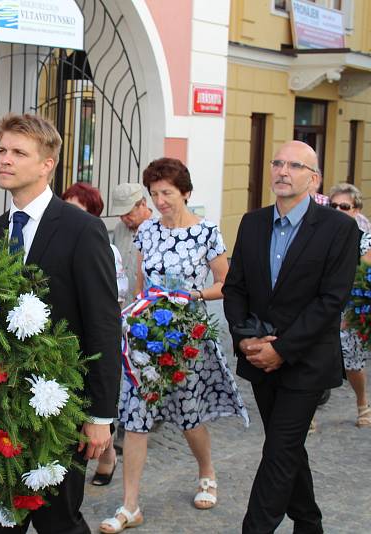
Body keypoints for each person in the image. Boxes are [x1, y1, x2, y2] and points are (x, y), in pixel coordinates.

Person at [0, 113, 122, 534]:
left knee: (58, 521)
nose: (5, 160)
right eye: (3, 150)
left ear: (47, 164)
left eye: (18, 153)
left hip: (58, 407)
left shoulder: (82, 230)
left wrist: (101, 415)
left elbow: (102, 323)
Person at [100, 157, 249, 533]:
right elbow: (140, 285)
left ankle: (206, 472)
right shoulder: (146, 232)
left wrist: (192, 294)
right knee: (136, 418)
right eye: (154, 193)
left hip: (186, 336)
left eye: (167, 192)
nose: (161, 200)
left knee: (189, 415)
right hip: (146, 336)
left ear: (185, 192)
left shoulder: (207, 232)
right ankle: (129, 506)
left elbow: (225, 284)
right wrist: (134, 319)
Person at [223, 141, 359, 533]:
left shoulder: (339, 228)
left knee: (279, 451)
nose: (283, 171)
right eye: (277, 163)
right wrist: (244, 339)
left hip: (307, 362)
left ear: (313, 179)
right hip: (259, 359)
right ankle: (309, 522)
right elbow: (236, 289)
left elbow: (330, 300)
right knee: (289, 448)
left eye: (295, 165)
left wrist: (283, 349)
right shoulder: (253, 222)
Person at [62, 182, 127, 487]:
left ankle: (106, 453)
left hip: (96, 335)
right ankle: (108, 454)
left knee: (99, 394)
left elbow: (113, 298)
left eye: (79, 209)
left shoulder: (99, 244)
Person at [328, 183, 371, 427]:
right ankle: (307, 413)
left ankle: (362, 403)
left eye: (344, 206)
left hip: (349, 309)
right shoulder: (320, 237)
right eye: (333, 205)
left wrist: (350, 313)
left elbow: (362, 277)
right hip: (321, 307)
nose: (338, 210)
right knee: (317, 360)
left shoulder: (365, 241)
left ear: (356, 210)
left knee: (353, 364)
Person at [110, 183, 153, 297]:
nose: (124, 218)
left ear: (143, 204)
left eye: (128, 213)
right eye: (120, 215)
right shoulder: (119, 228)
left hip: (147, 303)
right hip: (121, 303)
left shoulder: (157, 229)